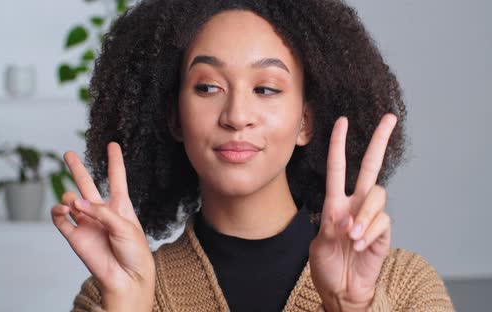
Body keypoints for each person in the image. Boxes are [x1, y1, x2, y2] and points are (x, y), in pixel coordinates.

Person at [51, 0, 455, 311]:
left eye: (266, 89)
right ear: (175, 118)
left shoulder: (405, 286)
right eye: (208, 87)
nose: (236, 116)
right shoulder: (112, 290)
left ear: (306, 122)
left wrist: (353, 307)